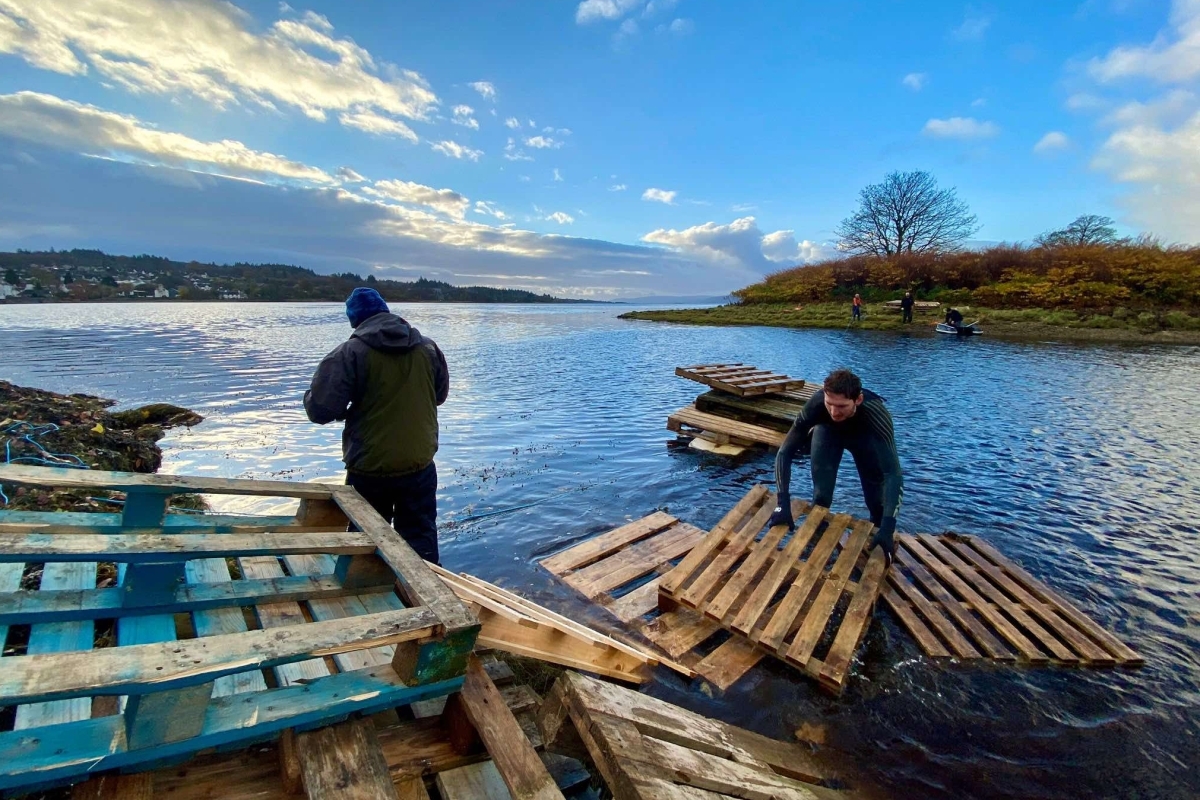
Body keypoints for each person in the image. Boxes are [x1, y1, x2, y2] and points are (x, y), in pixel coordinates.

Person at [304, 287, 449, 564]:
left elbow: (320, 410)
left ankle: (370, 592)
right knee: (421, 537)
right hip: (419, 463)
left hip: (370, 467)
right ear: (385, 309)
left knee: (368, 538)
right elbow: (439, 396)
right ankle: (428, 591)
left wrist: (309, 396)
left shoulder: (348, 353)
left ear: (354, 320)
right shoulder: (428, 348)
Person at [767, 369, 903, 563]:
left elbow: (893, 473)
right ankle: (816, 551)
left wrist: (889, 526)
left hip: (864, 439)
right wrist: (782, 504)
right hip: (828, 433)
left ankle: (878, 544)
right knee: (821, 496)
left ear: (858, 400)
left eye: (841, 406)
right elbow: (785, 452)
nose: (834, 411)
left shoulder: (876, 413)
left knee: (876, 502)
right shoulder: (816, 405)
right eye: (829, 404)